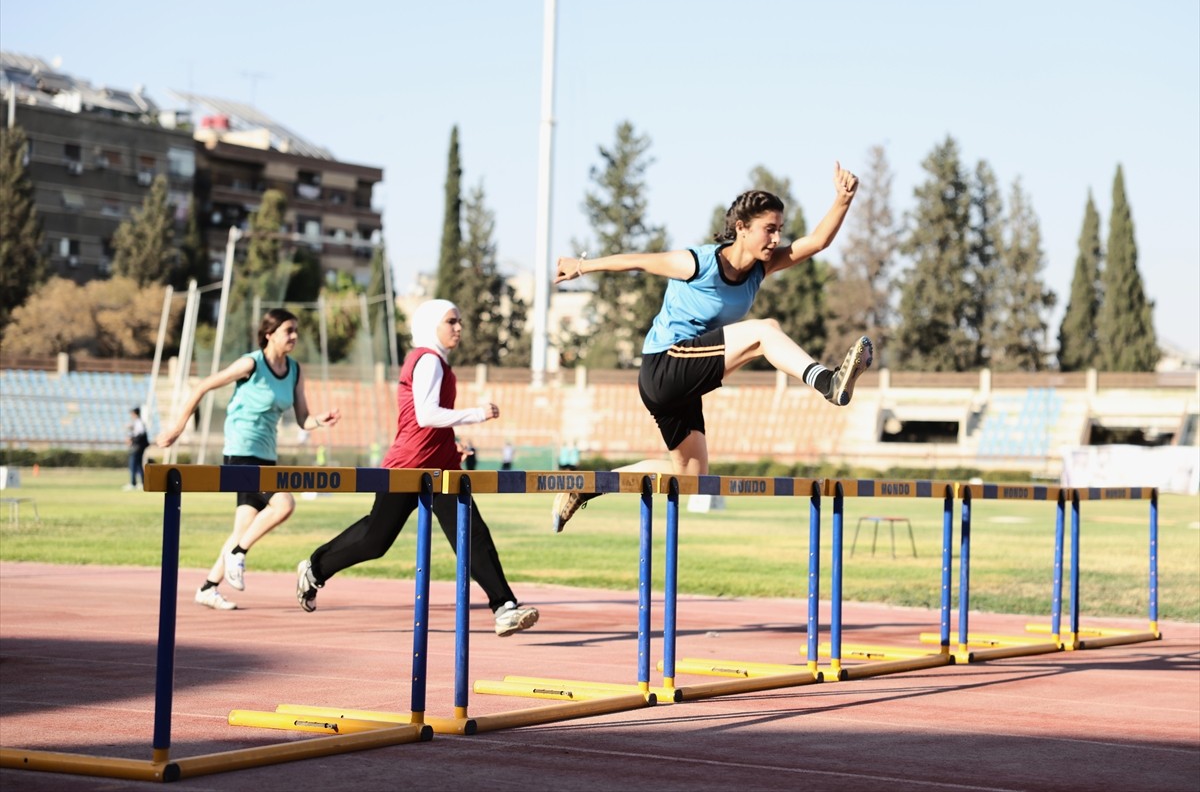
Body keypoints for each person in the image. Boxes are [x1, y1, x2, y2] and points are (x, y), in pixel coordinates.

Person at [550, 162, 872, 532]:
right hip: (665, 363)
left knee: (692, 479)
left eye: (780, 230)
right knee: (764, 332)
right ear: (741, 228)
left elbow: (815, 243)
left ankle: (586, 485)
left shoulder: (760, 271)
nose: (775, 239)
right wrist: (581, 266)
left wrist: (843, 200)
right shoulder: (698, 262)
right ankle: (827, 382)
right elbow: (637, 262)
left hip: (682, 383)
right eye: (768, 230)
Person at [295, 299, 539, 637]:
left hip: (439, 468)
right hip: (407, 467)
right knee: (374, 541)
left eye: (459, 321)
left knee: (472, 534)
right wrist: (477, 413)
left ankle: (504, 606)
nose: (458, 328)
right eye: (451, 321)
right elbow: (426, 415)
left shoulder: (437, 362)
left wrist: (450, 444)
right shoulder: (428, 359)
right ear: (430, 325)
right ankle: (315, 567)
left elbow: (428, 422)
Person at [157, 308, 341, 610]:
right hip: (241, 452)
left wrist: (320, 420)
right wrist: (177, 428)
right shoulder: (250, 363)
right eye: (288, 330)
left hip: (266, 456)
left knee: (244, 525)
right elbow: (203, 386)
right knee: (284, 504)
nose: (294, 336)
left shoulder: (294, 370)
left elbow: (303, 419)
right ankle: (238, 553)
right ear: (269, 334)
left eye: (296, 330)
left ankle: (208, 587)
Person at [125, 407, 149, 490]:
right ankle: (142, 483)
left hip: (138, 446)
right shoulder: (137, 422)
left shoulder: (139, 422)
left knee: (133, 464)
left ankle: (133, 483)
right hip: (139, 446)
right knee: (138, 465)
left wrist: (131, 439)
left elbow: (140, 434)